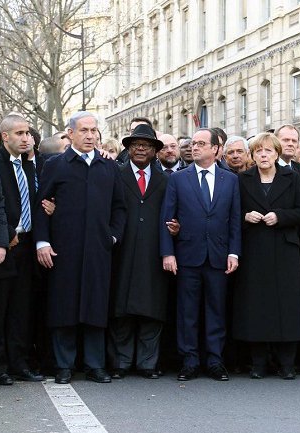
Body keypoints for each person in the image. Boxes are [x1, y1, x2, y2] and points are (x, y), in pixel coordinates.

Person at [34, 111, 126, 384]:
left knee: (96, 306)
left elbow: (119, 208)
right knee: (64, 303)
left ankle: (95, 364)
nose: (90, 135)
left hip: (99, 249)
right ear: (70, 133)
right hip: (65, 247)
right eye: (84, 130)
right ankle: (64, 365)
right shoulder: (56, 165)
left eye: (94, 130)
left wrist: (112, 237)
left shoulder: (108, 167)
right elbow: (41, 206)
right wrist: (43, 242)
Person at [160, 127, 241, 382]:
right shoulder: (178, 179)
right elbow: (167, 218)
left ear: (216, 149)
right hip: (187, 255)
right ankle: (190, 360)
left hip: (218, 255)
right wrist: (168, 254)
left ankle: (215, 360)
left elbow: (235, 220)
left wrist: (234, 252)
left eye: (201, 144)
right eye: (193, 143)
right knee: (188, 311)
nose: (194, 147)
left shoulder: (231, 180)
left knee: (216, 310)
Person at [233, 132, 300, 379]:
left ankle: (287, 364)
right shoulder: (242, 179)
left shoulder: (293, 177)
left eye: (268, 151)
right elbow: (232, 212)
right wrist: (245, 216)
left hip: (284, 249)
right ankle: (259, 364)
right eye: (258, 151)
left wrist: (280, 216)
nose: (263, 155)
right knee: (256, 306)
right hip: (254, 249)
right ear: (252, 156)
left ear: (277, 154)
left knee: (286, 308)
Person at [108, 124, 171, 380]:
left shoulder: (166, 180)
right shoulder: (116, 175)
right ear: (128, 149)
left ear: (155, 151)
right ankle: (121, 362)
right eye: (135, 145)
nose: (141, 148)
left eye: (146, 145)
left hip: (153, 252)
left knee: (151, 309)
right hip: (121, 251)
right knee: (121, 308)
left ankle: (147, 362)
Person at [0, 114, 40, 385]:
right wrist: (6, 235)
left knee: (22, 309)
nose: (27, 138)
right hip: (5, 245)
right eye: (20, 133)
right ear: (5, 137)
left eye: (28, 133)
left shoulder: (28, 165)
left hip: (27, 246)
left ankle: (19, 362)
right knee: (1, 309)